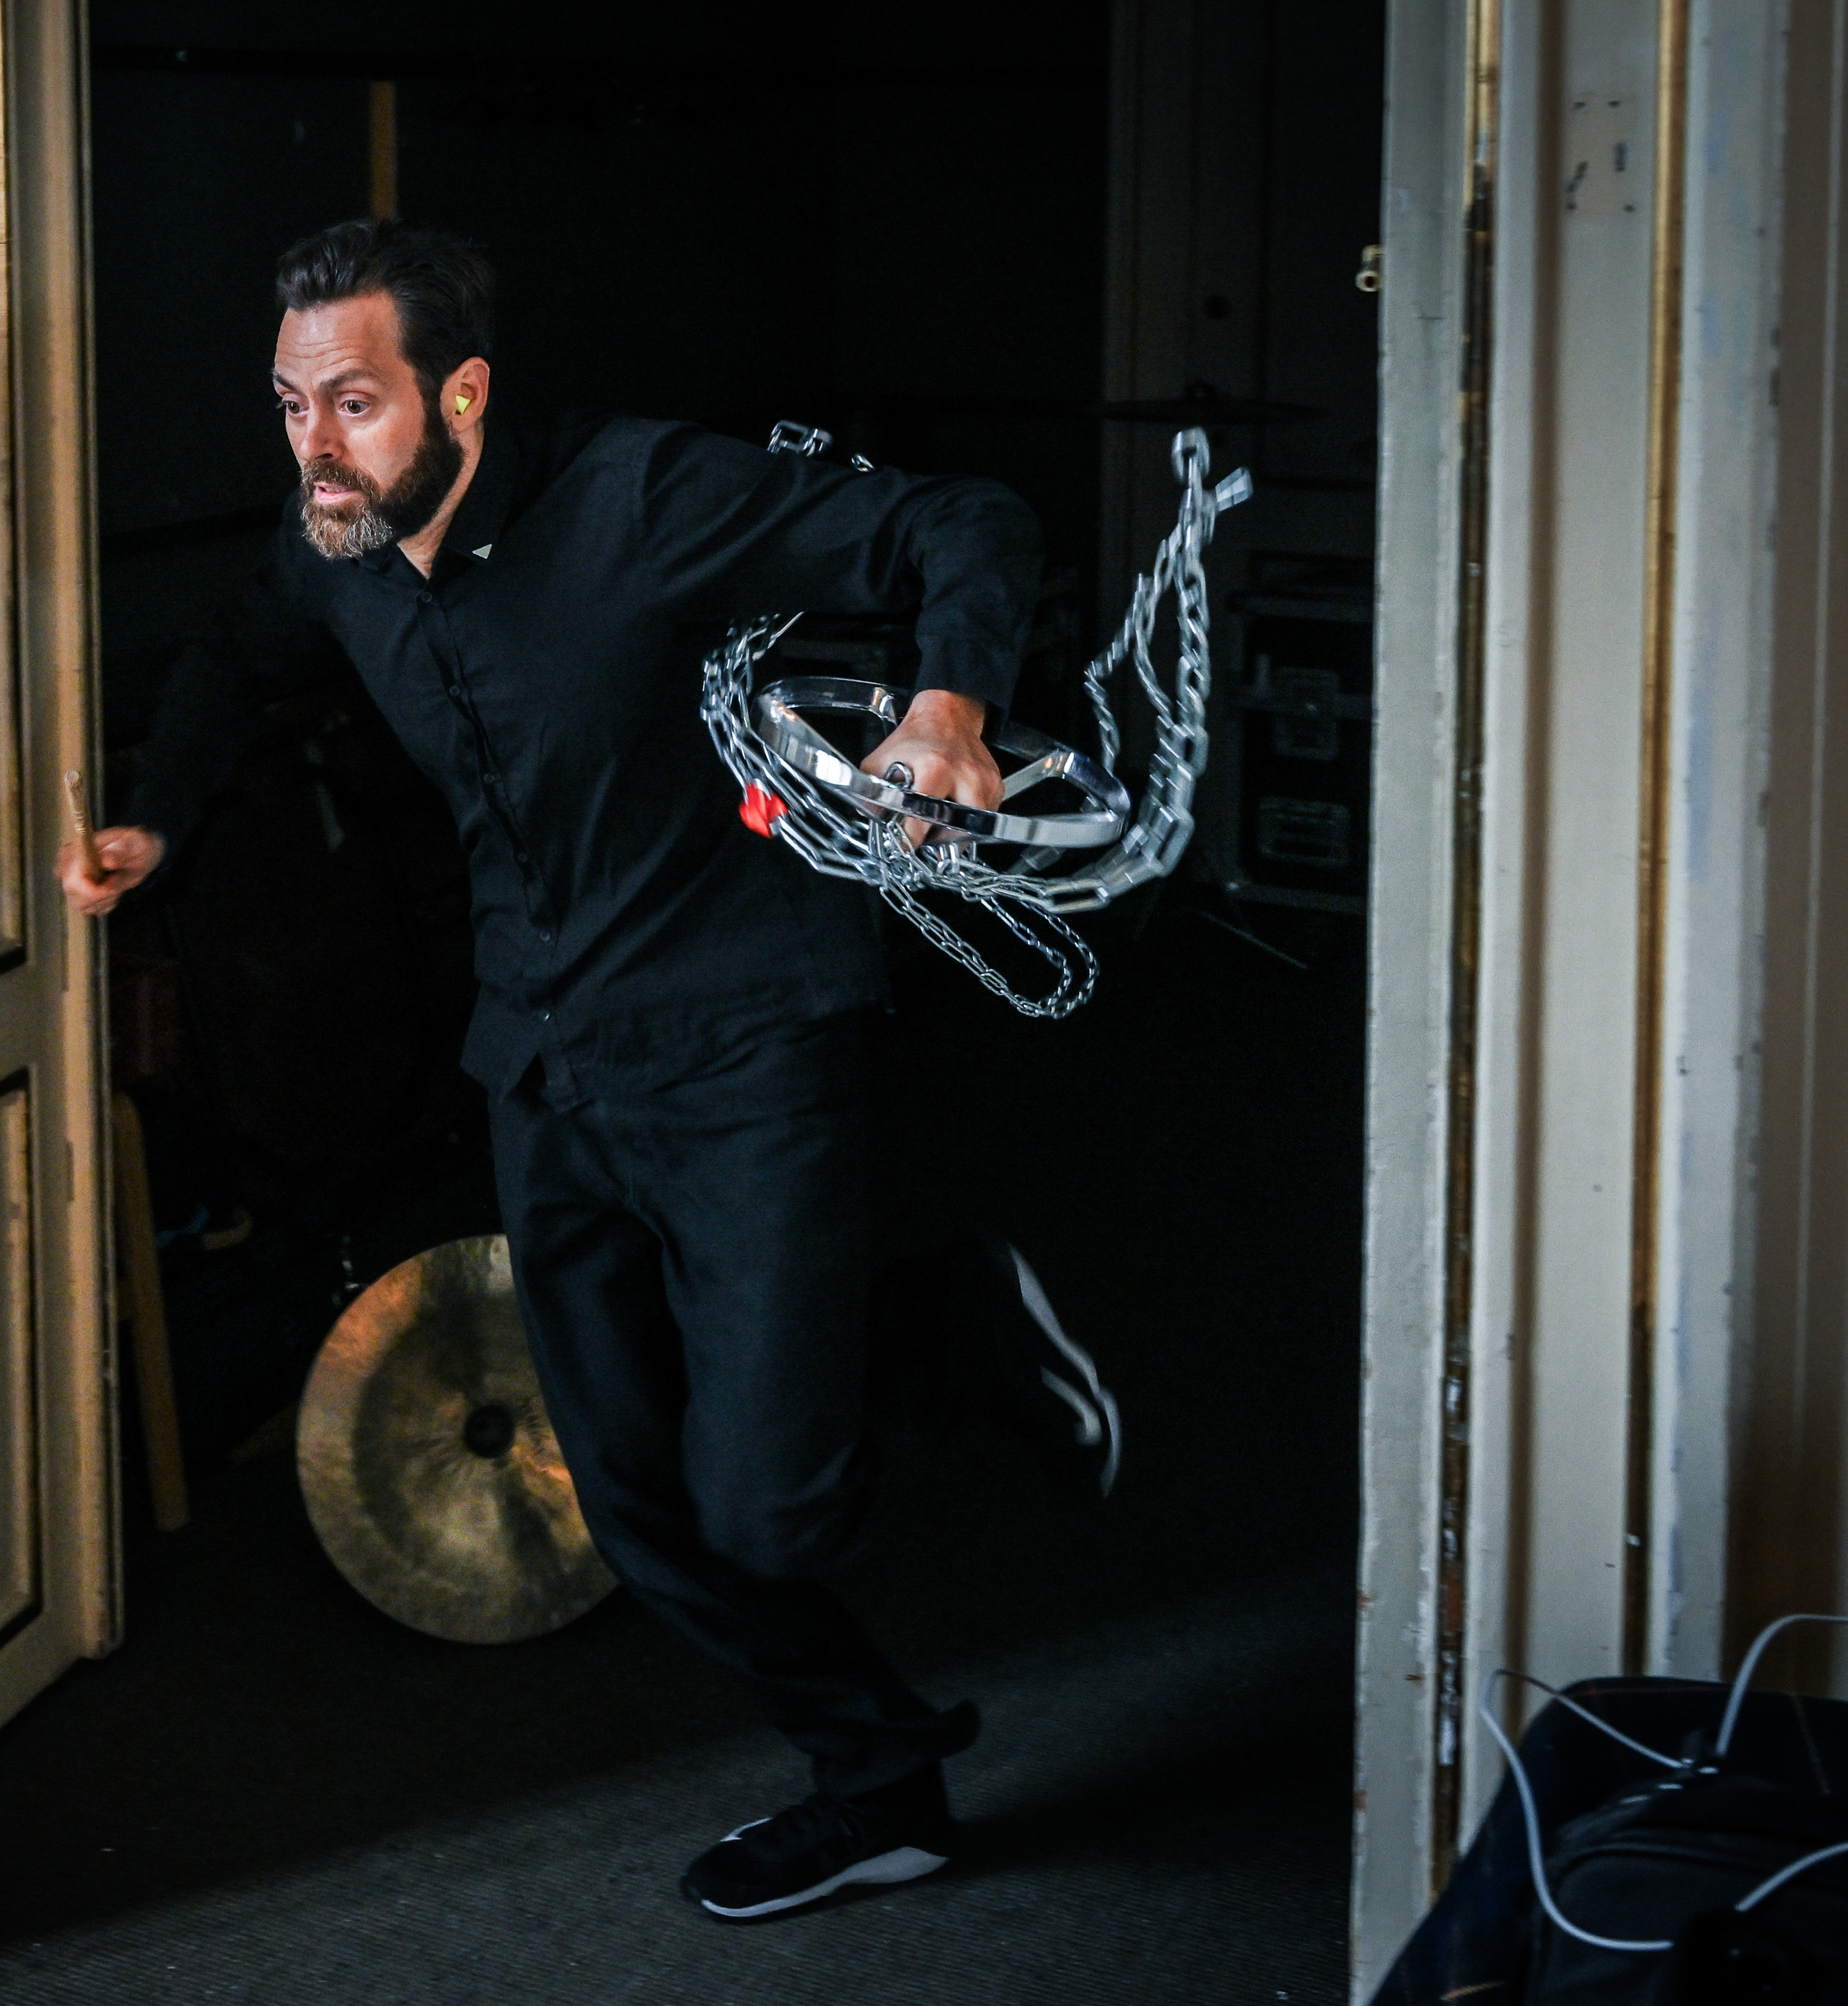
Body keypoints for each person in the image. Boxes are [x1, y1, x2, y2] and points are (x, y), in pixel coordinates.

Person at [58, 217, 1120, 1921]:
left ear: (463, 395)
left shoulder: (641, 497)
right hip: (544, 1060)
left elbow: (963, 520)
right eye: (290, 404)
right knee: (628, 1505)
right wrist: (160, 820)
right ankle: (881, 1785)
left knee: (765, 1513)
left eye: (354, 402)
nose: (315, 444)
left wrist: (951, 705)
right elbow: (233, 654)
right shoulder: (335, 547)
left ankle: (947, 1327)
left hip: (742, 1041)